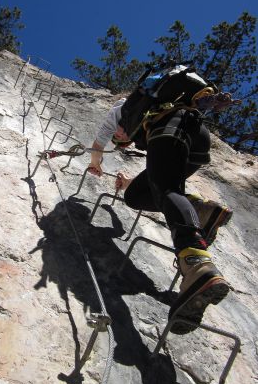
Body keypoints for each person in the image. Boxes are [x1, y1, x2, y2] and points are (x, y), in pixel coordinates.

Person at [88, 91, 235, 334]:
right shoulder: (152, 114)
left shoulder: (121, 110)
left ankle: (196, 263)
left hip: (173, 126)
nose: (121, 137)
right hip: (195, 137)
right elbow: (158, 178)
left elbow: (97, 145)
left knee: (167, 190)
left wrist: (95, 164)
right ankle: (204, 210)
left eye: (119, 137)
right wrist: (126, 184)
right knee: (136, 196)